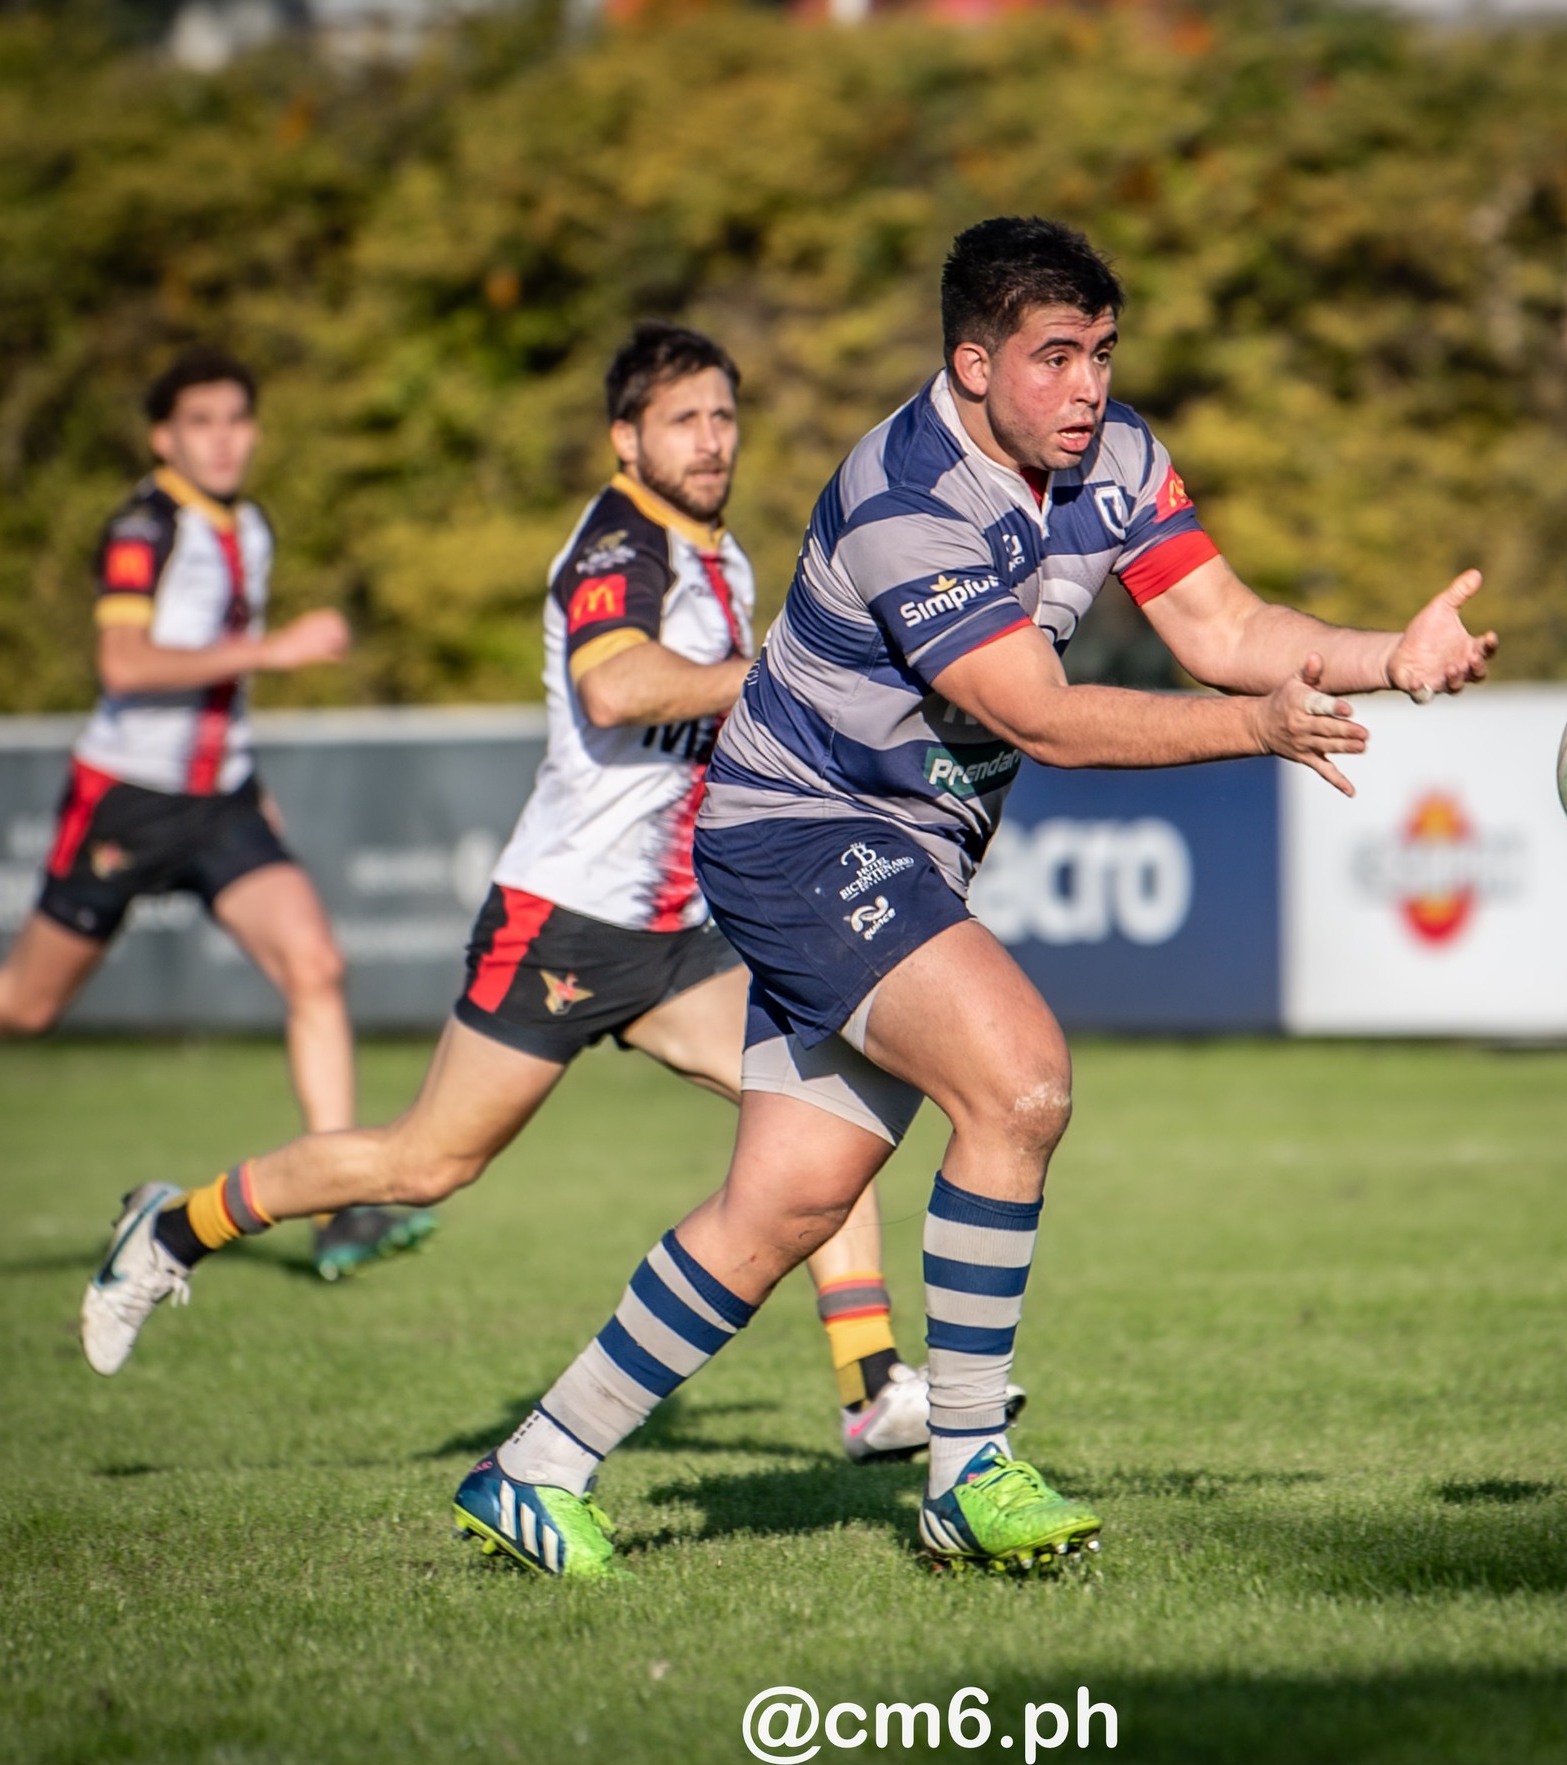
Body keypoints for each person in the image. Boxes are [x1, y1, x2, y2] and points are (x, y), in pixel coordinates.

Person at [446, 217, 1499, 1581]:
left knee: (784, 1205)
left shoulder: (1115, 459)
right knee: (1020, 1084)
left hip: (904, 849)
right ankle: (967, 1470)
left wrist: (1383, 658)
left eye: (1103, 352)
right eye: (1055, 356)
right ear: (972, 360)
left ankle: (534, 1466)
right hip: (798, 831)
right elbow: (1043, 717)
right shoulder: (906, 497)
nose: (1088, 387)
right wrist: (1258, 731)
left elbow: (1226, 628)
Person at [79, 324, 971, 1474]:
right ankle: (168, 1229)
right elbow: (615, 686)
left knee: (820, 1100)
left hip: (682, 927)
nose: (710, 440)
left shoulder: (719, 552)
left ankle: (870, 1389)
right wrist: (774, 677)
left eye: (722, 416)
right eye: (684, 419)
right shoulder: (617, 541)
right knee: (421, 1164)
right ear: (625, 437)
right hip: (563, 919)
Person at [0, 346, 423, 1280]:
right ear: (163, 436)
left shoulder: (250, 525)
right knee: (26, 1004)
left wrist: (248, 771)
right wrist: (278, 650)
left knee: (317, 965)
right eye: (201, 421)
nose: (224, 439)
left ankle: (340, 1208)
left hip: (220, 800)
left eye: (237, 419)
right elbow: (125, 665)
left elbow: (217, 686)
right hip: (129, 801)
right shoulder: (143, 525)